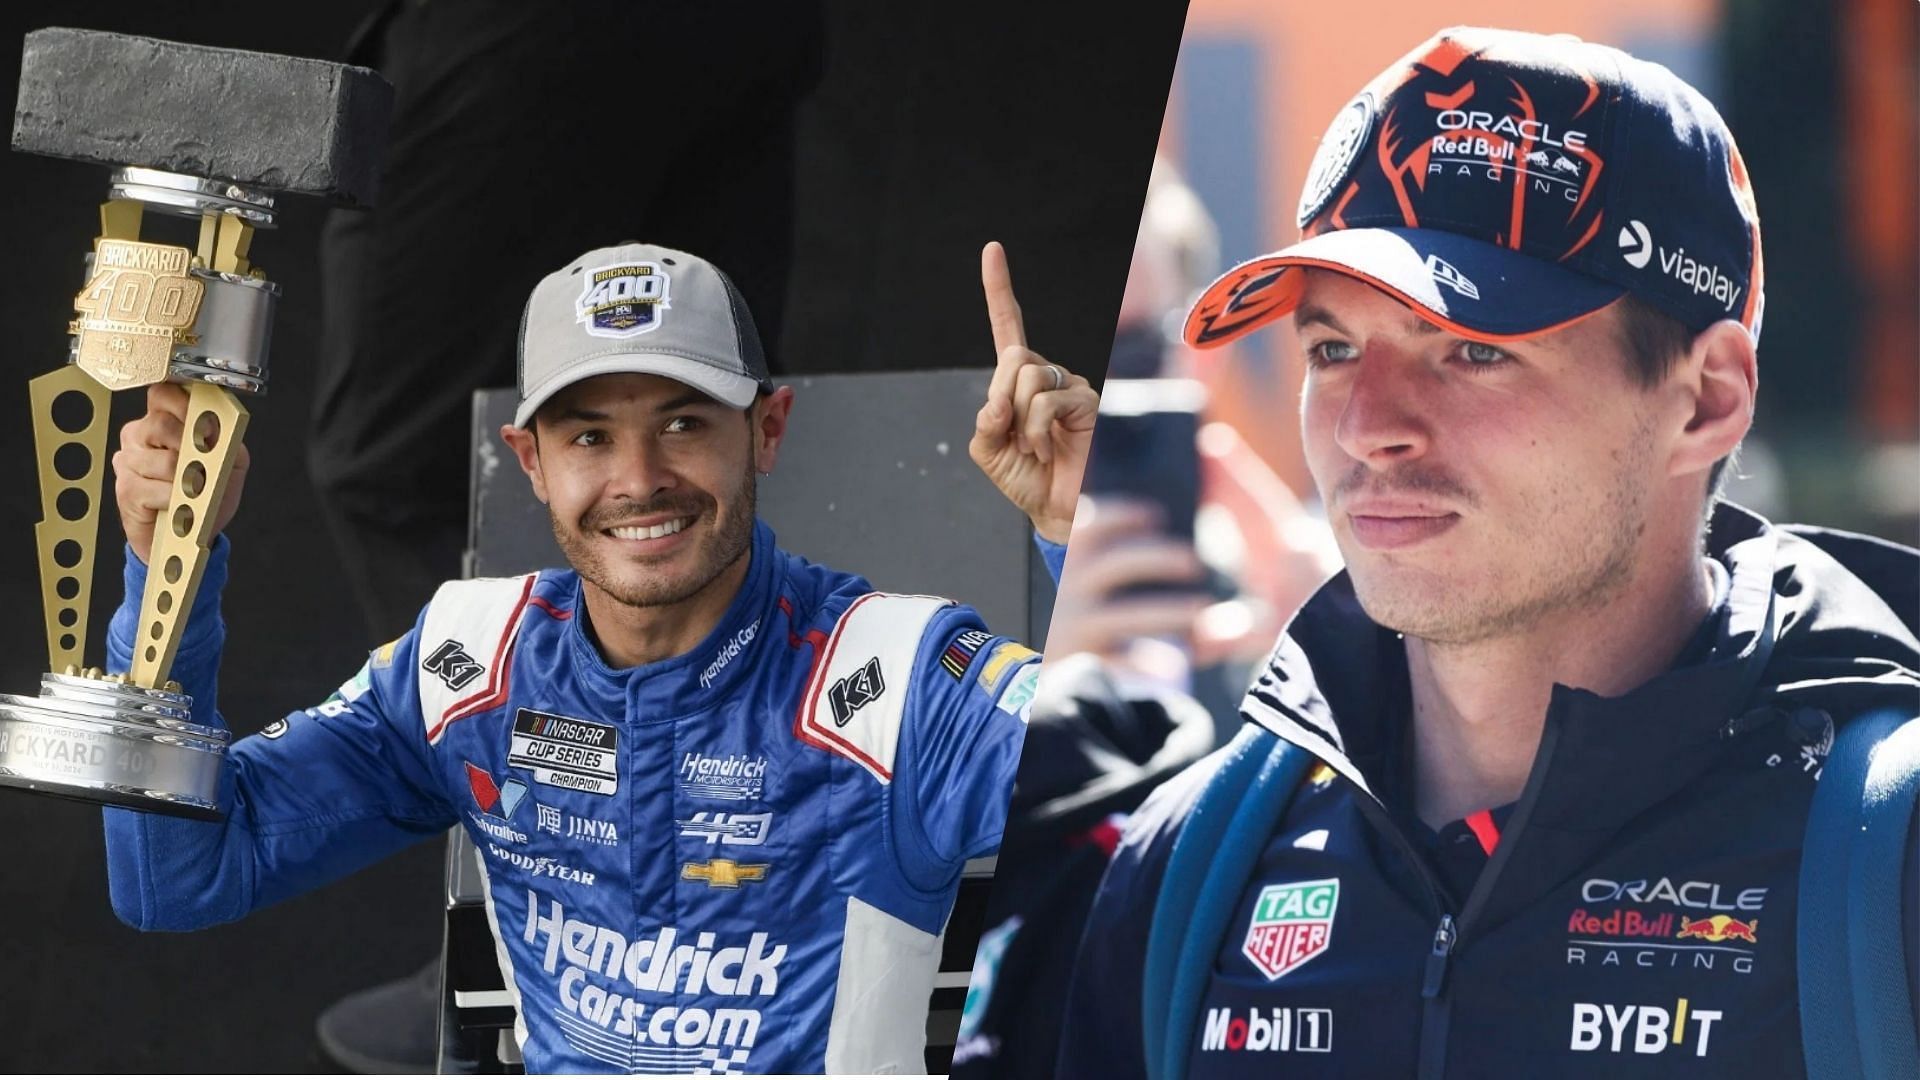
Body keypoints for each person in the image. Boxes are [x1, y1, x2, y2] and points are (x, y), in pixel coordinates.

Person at [1053, 26, 1918, 1078]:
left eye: (1471, 350)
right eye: (1333, 349)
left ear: (1707, 399)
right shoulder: (1190, 861)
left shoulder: (1886, 857)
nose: (1368, 425)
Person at [103, 240, 1094, 1075]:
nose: (639, 480)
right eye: (589, 435)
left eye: (682, 423)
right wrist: (165, 568)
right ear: (531, 463)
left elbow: (1173, 813)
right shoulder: (470, 665)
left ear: (768, 430)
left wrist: (1089, 532)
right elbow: (177, 876)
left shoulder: (901, 679)